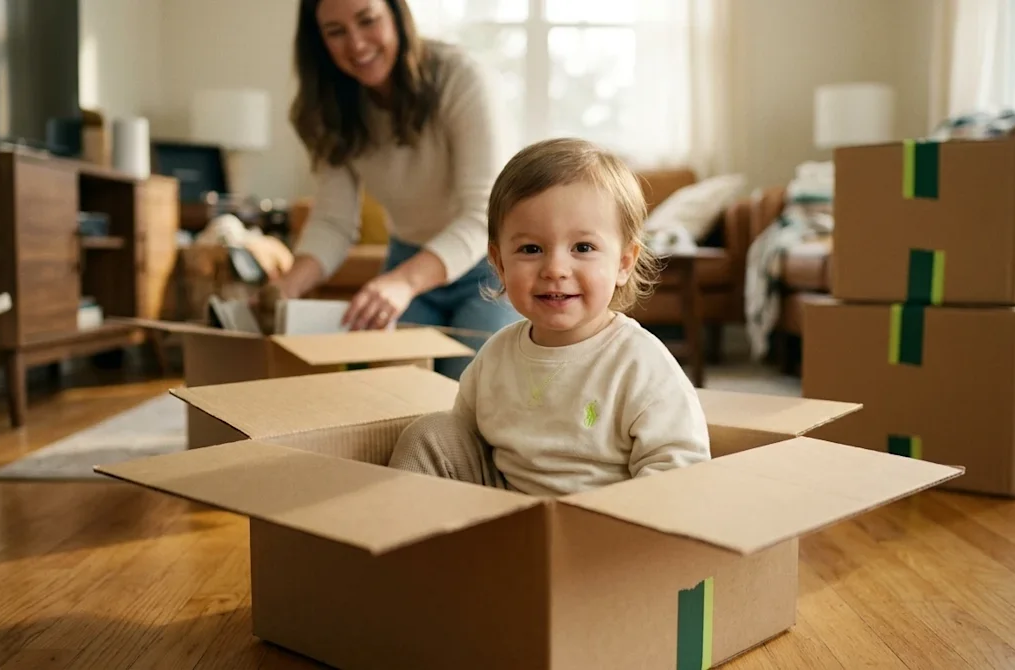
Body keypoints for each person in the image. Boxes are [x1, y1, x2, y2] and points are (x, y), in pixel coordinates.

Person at [388, 138, 712, 496]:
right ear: (498, 263)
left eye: (583, 248)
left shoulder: (640, 363)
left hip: (599, 525)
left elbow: (681, 464)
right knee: (430, 432)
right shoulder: (495, 356)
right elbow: (465, 436)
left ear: (623, 262)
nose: (555, 269)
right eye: (531, 249)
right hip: (502, 513)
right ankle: (412, 536)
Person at [271, 0, 521, 380]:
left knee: (469, 388)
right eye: (335, 32)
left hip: (487, 267)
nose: (356, 45)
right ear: (318, 41)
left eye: (367, 20)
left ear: (398, 18)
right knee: (377, 382)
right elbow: (333, 222)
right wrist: (285, 288)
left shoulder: (461, 77)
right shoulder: (327, 108)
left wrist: (403, 282)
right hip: (408, 260)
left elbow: (484, 215)